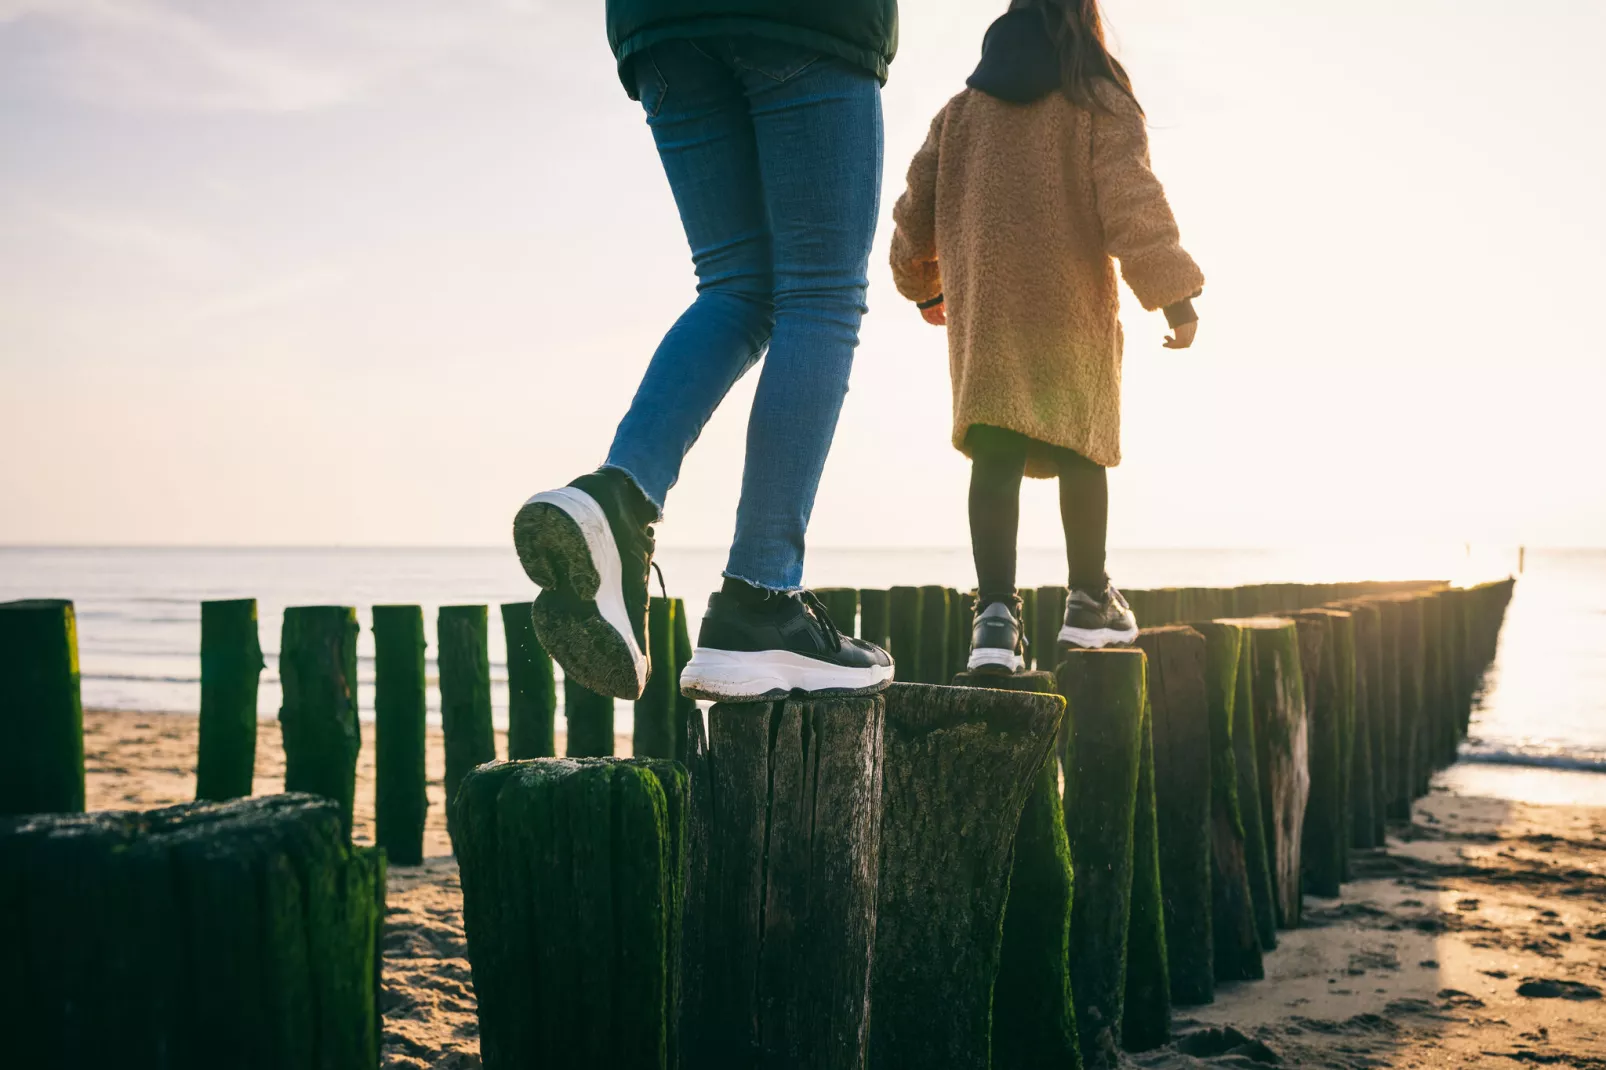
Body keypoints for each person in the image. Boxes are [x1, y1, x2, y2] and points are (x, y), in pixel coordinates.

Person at [513, 1, 898, 703]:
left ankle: (619, 499)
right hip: (808, 26)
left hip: (659, 27)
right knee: (822, 294)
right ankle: (760, 595)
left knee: (738, 287)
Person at [889, 0, 1203, 671]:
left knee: (995, 458)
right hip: (1071, 313)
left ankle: (995, 622)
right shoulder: (1099, 98)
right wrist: (1172, 292)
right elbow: (1132, 198)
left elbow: (916, 210)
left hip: (991, 317)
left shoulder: (961, 113)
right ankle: (1089, 601)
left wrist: (924, 285)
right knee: (1083, 450)